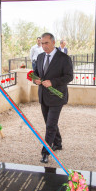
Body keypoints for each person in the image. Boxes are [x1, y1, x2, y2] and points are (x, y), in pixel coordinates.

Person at [33, 33, 73, 163]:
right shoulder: (39, 57)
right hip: (43, 96)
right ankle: (58, 143)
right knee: (50, 122)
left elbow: (69, 77)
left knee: (50, 125)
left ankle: (46, 152)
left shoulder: (64, 58)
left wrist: (53, 82)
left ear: (53, 42)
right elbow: (35, 74)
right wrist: (36, 80)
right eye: (42, 43)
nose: (44, 46)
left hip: (57, 96)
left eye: (46, 43)